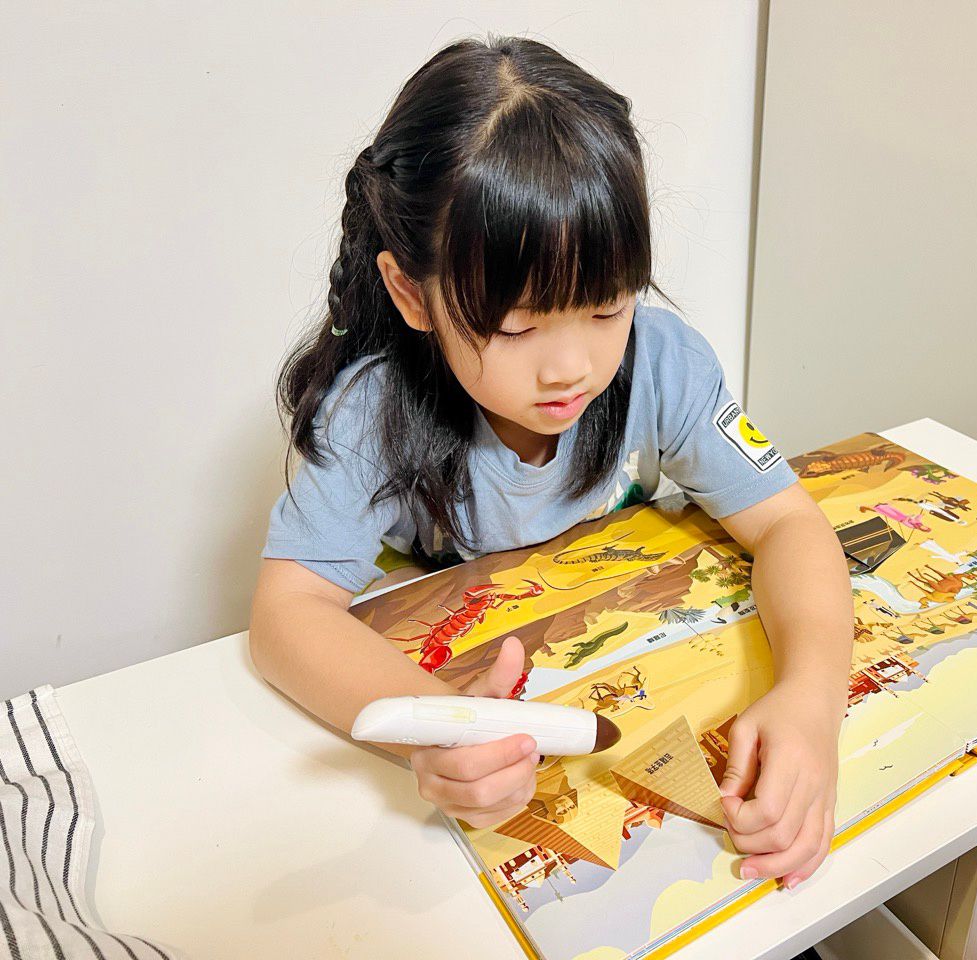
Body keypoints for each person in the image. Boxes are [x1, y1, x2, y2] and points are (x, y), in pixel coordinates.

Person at [248, 35, 854, 892]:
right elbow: (287, 614)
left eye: (607, 308)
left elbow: (788, 520)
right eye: (518, 327)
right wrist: (436, 731)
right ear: (412, 293)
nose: (571, 368)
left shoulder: (664, 363)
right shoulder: (371, 412)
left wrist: (814, 698)